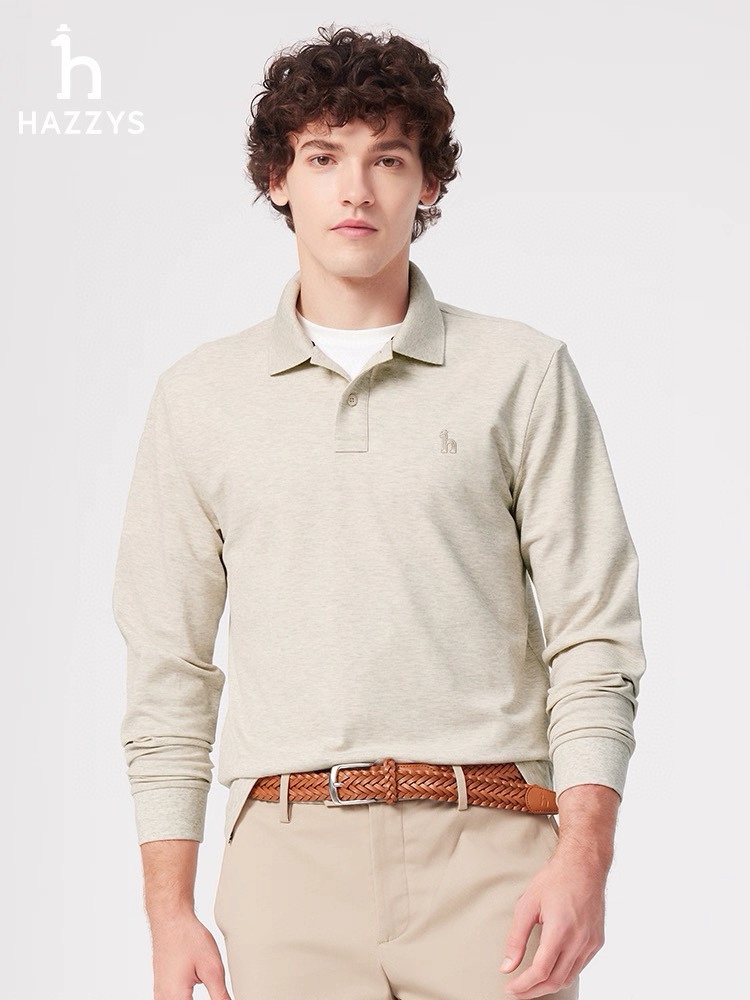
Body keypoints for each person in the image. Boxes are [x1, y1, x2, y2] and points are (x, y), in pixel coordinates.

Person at [112, 24, 646, 1000]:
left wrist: (585, 860)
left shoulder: (522, 374)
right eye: (324, 157)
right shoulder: (199, 398)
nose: (355, 189)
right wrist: (169, 910)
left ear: (429, 182)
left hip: (494, 849)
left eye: (387, 158)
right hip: (286, 865)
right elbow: (169, 669)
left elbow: (595, 636)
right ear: (278, 178)